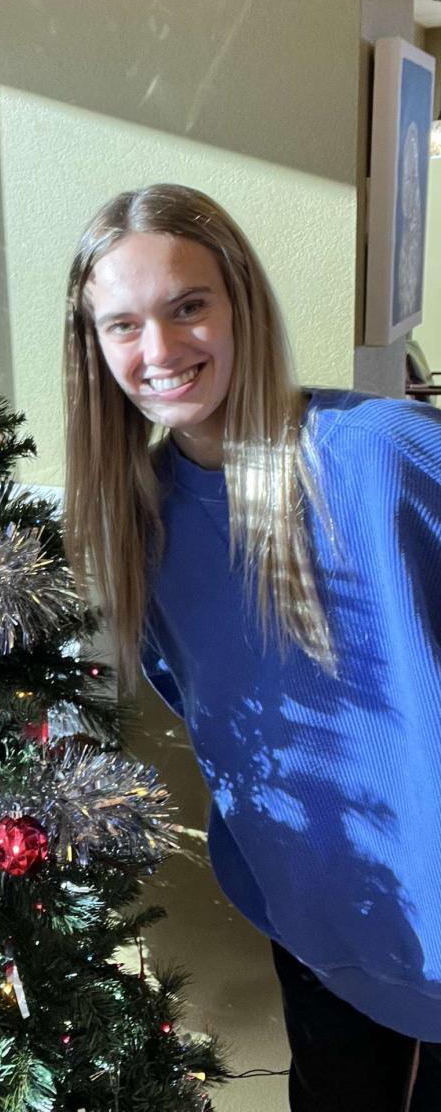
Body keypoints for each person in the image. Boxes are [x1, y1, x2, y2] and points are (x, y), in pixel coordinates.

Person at [63, 183, 441, 1111]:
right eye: (123, 325)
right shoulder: (140, 521)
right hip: (322, 930)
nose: (160, 351)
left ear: (240, 304)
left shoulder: (383, 451)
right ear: (94, 348)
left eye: (188, 306)